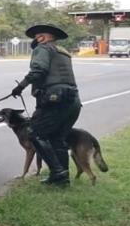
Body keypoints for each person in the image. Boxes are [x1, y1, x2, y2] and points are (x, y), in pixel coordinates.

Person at [11, 23, 81, 186]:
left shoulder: (43, 49)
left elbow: (38, 70)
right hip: (73, 100)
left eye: (38, 35)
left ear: (45, 37)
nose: (36, 38)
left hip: (54, 99)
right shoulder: (62, 52)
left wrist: (20, 86)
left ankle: (58, 172)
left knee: (35, 133)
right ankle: (63, 179)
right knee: (58, 138)